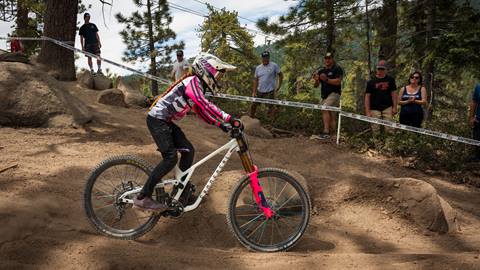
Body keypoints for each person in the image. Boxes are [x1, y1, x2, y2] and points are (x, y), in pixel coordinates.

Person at [133, 52, 238, 212]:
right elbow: (203, 103)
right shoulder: (193, 82)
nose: (218, 78)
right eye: (216, 74)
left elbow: (201, 111)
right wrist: (229, 118)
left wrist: (220, 124)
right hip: (157, 120)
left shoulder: (196, 85)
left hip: (165, 121)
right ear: (205, 70)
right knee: (170, 158)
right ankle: (143, 197)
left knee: (188, 151)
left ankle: (181, 192)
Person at [312, 52, 344, 140]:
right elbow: (316, 86)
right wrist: (316, 80)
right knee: (331, 113)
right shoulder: (321, 70)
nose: (327, 60)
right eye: (326, 58)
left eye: (329, 58)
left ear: (332, 59)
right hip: (324, 95)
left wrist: (326, 79)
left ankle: (326, 132)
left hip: (334, 93)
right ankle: (333, 134)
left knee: (324, 108)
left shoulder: (337, 69)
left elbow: (338, 81)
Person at [365, 60, 398, 133]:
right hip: (374, 108)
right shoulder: (371, 82)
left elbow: (394, 94)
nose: (380, 71)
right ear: (376, 69)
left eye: (382, 69)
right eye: (379, 69)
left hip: (388, 107)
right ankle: (378, 144)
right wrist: (367, 111)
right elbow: (367, 97)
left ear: (386, 69)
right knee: (375, 129)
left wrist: (395, 107)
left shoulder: (391, 80)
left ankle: (389, 144)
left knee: (389, 129)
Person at [249, 51, 283, 119]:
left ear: (269, 57)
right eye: (264, 58)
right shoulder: (258, 68)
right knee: (253, 105)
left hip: (270, 90)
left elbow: (281, 75)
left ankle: (270, 120)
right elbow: (256, 80)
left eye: (266, 57)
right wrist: (254, 91)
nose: (265, 59)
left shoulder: (274, 65)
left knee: (270, 106)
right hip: (259, 90)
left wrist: (278, 86)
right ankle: (251, 118)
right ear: (262, 58)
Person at [469, 84, 480, 162]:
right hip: (478, 120)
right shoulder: (478, 87)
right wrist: (471, 117)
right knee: (476, 141)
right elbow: (474, 102)